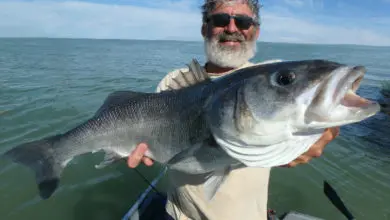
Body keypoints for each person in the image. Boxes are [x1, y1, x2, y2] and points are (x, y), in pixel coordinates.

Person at [127, 0, 340, 219]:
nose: (231, 28)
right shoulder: (172, 83)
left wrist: (321, 133)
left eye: (243, 22)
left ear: (255, 31)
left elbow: (317, 107)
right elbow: (149, 138)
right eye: (220, 20)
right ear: (204, 28)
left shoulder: (272, 77)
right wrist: (137, 144)